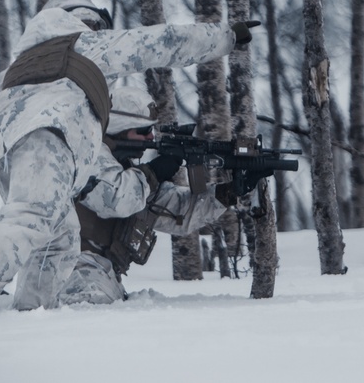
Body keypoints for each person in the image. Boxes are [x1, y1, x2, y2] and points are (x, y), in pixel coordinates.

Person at [0, 0, 258, 319]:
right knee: (31, 216)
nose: (99, 30)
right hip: (48, 133)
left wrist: (225, 191)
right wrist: (227, 36)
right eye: (97, 24)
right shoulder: (85, 46)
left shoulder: (21, 63)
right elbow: (165, 42)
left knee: (59, 237)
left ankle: (30, 314)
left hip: (2, 149)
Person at [53, 84, 237, 307]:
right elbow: (118, 200)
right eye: (142, 131)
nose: (150, 136)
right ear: (121, 129)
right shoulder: (88, 158)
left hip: (98, 275)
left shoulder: (128, 173)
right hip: (72, 274)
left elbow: (177, 212)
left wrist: (229, 193)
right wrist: (154, 171)